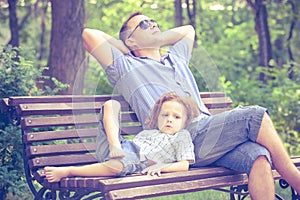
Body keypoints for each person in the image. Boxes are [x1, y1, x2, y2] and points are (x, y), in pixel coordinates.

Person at [82, 11, 300, 199]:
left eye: (154, 21)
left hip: (207, 137)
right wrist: (125, 46)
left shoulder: (176, 58)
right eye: (144, 24)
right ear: (131, 41)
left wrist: (150, 38)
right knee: (254, 116)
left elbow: (188, 30)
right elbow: (89, 35)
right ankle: (297, 182)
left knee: (258, 156)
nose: (154, 24)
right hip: (177, 138)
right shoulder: (126, 67)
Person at [44, 92, 199, 181]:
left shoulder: (181, 136)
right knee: (111, 104)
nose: (169, 119)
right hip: (118, 147)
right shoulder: (150, 132)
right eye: (165, 115)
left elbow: (184, 165)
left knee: (117, 165)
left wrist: (162, 166)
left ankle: (69, 171)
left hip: (138, 159)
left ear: (185, 122)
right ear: (157, 117)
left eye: (176, 117)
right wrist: (116, 145)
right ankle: (114, 146)